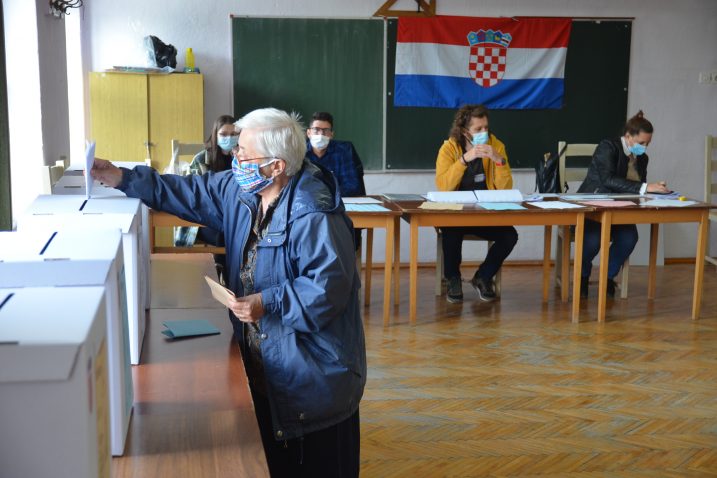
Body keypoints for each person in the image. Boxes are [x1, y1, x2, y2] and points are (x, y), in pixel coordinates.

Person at [91, 108, 366, 478]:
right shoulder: (243, 191)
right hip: (272, 364)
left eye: (243, 153)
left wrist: (267, 301)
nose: (235, 158)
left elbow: (327, 289)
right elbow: (189, 191)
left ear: (276, 166)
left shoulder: (313, 212)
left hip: (312, 381)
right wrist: (123, 178)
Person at [577, 110, 669, 298]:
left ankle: (607, 277)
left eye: (648, 143)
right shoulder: (607, 147)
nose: (644, 147)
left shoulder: (642, 158)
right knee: (592, 242)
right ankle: (583, 276)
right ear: (628, 136)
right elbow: (608, 180)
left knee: (629, 238)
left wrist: (654, 189)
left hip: (622, 210)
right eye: (642, 143)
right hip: (595, 206)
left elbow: (639, 186)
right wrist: (645, 187)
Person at [435, 104, 518, 304]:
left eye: (486, 128)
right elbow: (444, 186)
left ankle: (483, 276)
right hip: (457, 214)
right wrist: (464, 160)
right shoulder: (449, 149)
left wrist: (498, 160)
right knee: (451, 230)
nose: (484, 133)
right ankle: (453, 278)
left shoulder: (496, 146)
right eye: (478, 129)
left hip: (485, 214)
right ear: (465, 131)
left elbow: (506, 189)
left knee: (510, 235)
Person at [175, 114, 237, 281]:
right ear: (215, 135)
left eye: (233, 134)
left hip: (234, 216)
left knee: (237, 232)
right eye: (224, 134)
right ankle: (221, 274)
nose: (229, 138)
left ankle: (229, 279)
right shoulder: (202, 159)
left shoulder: (242, 157)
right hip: (205, 219)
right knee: (227, 235)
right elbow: (193, 195)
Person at [305, 111, 366, 249]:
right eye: (316, 130)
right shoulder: (299, 153)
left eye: (325, 131)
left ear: (332, 134)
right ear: (308, 133)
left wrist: (320, 194)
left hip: (338, 210)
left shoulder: (343, 152)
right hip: (309, 210)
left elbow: (353, 186)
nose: (320, 135)